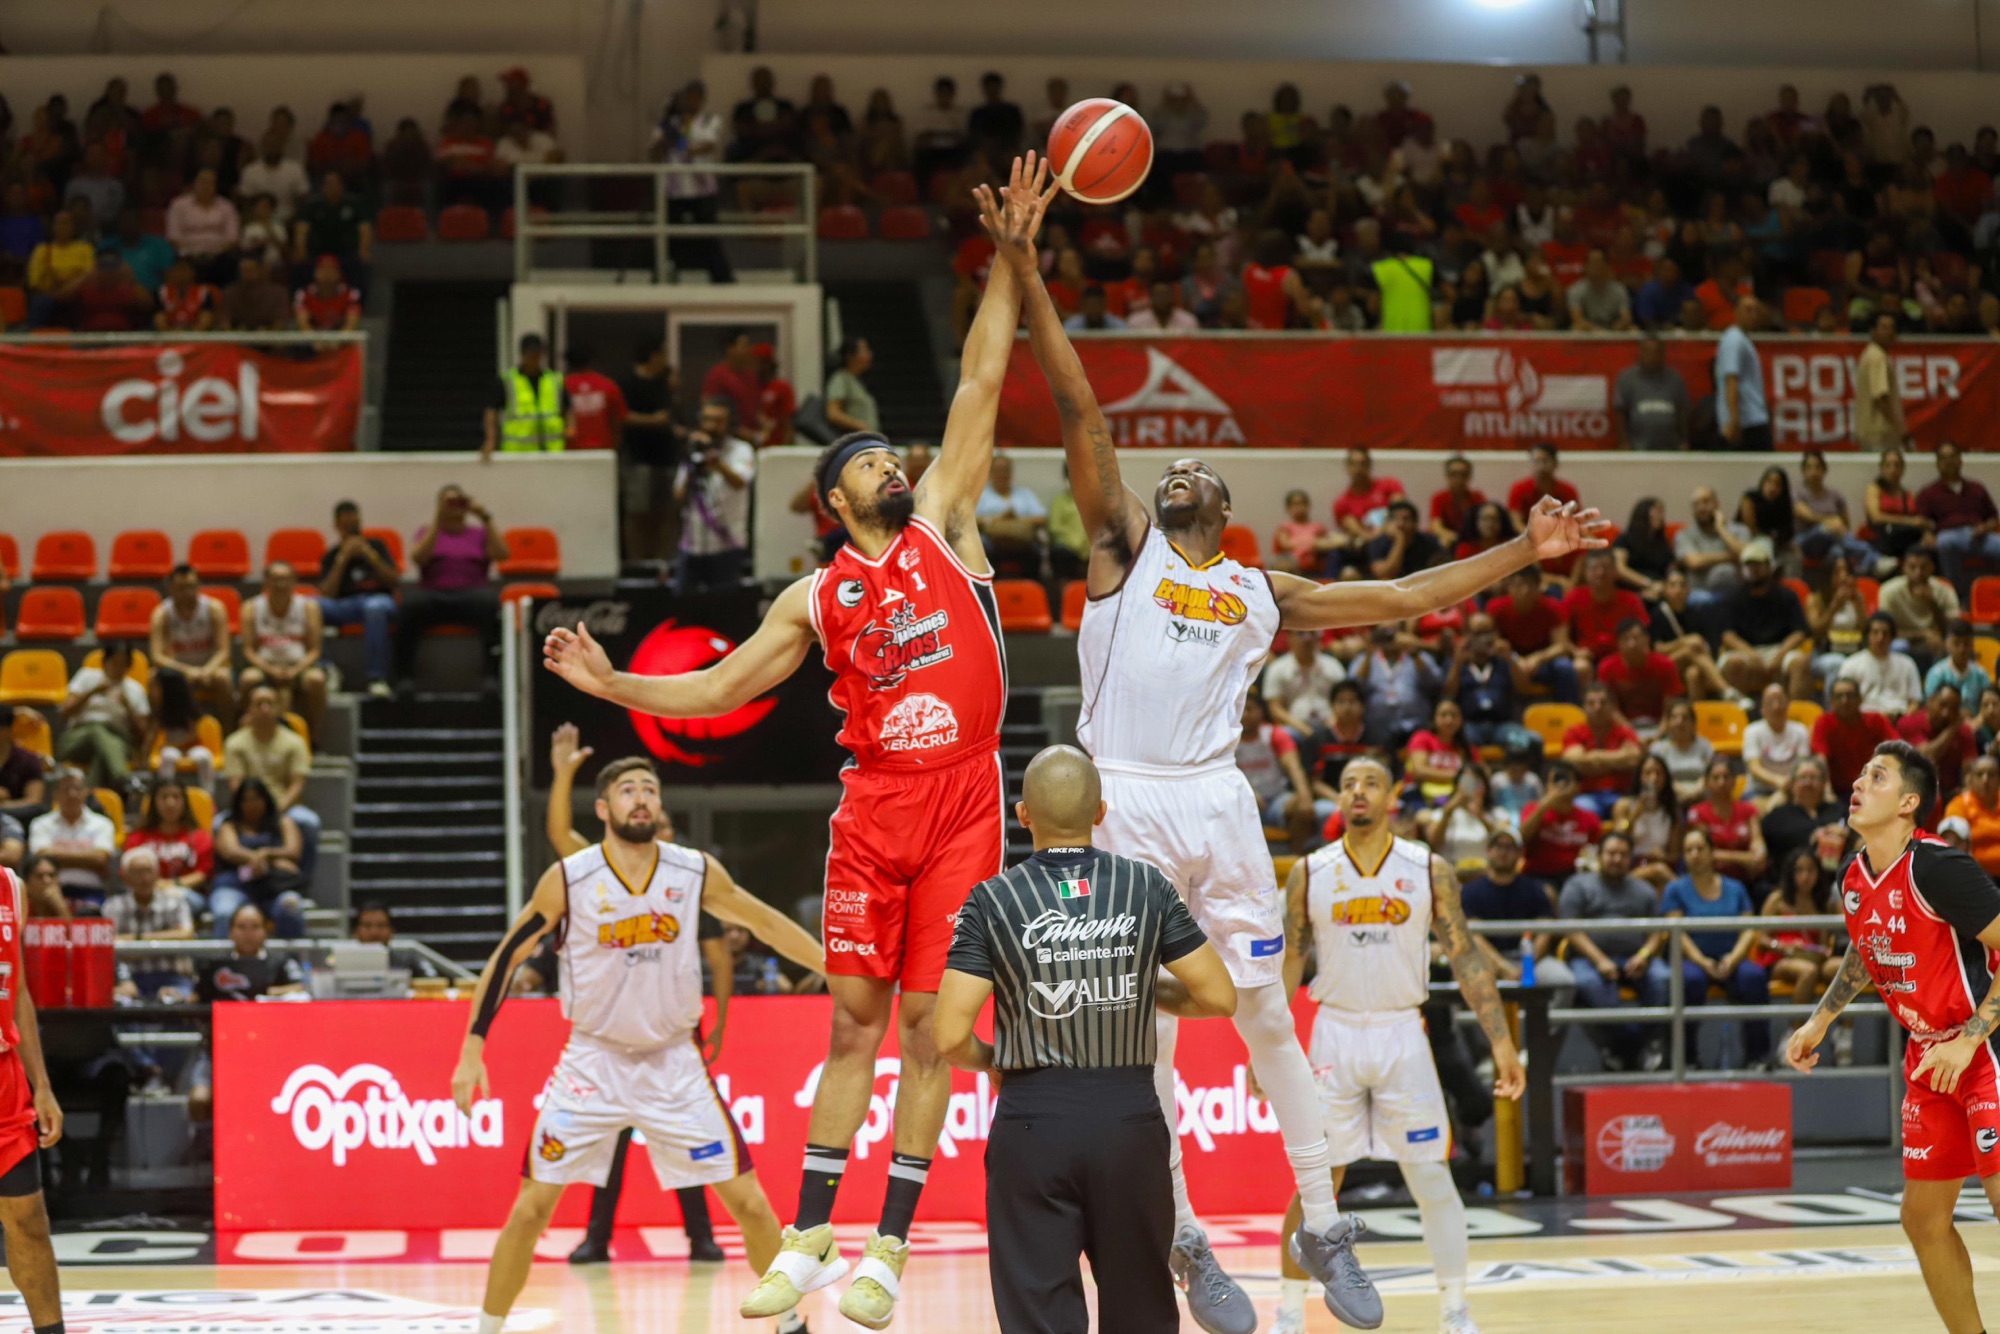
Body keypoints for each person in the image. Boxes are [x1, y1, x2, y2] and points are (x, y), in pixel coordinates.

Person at [992, 148, 1601, 1334]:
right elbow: (1079, 409)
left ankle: (1322, 1221)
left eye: (1196, 471)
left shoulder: (1259, 590)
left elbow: (1402, 596)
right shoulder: (1122, 546)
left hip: (1216, 799)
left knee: (1268, 1014)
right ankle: (1184, 1237)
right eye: (1167, 469)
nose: (1176, 472)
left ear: (1227, 511)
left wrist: (1522, 555)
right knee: (1141, 1037)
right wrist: (1025, 268)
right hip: (1123, 796)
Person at [547, 161, 1048, 1331]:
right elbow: (718, 686)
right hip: (872, 808)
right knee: (851, 1023)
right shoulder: (813, 596)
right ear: (834, 500)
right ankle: (811, 1235)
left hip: (963, 799)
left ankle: (888, 1245)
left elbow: (981, 376)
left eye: (890, 455)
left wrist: (1011, 258)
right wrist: (612, 683)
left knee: (934, 1028)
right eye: (867, 460)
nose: (891, 463)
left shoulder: (945, 522)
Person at [452, 757, 825, 1334]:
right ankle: (486, 1328)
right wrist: (472, 1046)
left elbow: (766, 923)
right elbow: (507, 956)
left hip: (673, 1062)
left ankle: (792, 1325)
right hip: (592, 1063)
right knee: (530, 1211)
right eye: (628, 790)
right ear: (604, 808)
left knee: (750, 1204)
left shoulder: (694, 871)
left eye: (650, 788)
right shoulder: (570, 878)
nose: (642, 797)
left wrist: (831, 967)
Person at [934, 745, 1236, 1334]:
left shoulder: (991, 900)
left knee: (1039, 1314)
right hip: (1129, 1121)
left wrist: (992, 1062)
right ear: (1100, 812)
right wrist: (1139, 988)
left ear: (1023, 815)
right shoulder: (1147, 886)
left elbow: (947, 1035)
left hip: (1032, 1123)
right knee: (1141, 1312)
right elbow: (1219, 997)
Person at [1273, 757, 1523, 1334]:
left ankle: (1455, 1310)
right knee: (1317, 1184)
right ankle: (1287, 1313)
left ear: (1394, 797)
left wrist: (1502, 1042)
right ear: (1338, 799)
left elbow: (1464, 955)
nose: (1358, 792)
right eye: (1348, 785)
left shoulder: (1428, 868)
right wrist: (1272, 1048)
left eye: (1371, 783)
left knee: (1431, 1177)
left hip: (1402, 1032)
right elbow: (1290, 960)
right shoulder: (1310, 872)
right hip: (1334, 1033)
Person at [1786, 741, 2000, 1334]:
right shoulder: (1853, 875)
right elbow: (1869, 944)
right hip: (1929, 1057)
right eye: (1859, 774)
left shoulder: (1938, 868)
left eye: (1876, 776)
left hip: (1985, 1045)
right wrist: (1821, 1018)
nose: (1858, 783)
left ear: (1908, 803)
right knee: (1922, 1219)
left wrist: (1969, 1039)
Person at [0, 865, 68, 1334]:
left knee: (27, 1218)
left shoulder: (11, 887)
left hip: (5, 1078)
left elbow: (18, 990)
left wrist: (41, 1083)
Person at [1663, 826, 1770, 1068]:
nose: (1694, 854)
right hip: (1693, 960)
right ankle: (1686, 1059)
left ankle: (1757, 1057)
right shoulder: (1675, 889)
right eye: (1688, 850)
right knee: (1690, 981)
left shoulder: (1736, 888)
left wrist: (1733, 959)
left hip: (1731, 958)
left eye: (1700, 848)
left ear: (1712, 852)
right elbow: (1677, 935)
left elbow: (1748, 930)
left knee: (1754, 977)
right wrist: (1702, 962)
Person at [1561, 830, 1668, 1070]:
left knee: (1663, 977)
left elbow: (1657, 932)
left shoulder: (1644, 890)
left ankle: (1638, 1046)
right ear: (1599, 856)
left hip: (1636, 958)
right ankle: (1632, 1047)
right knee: (1588, 983)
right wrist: (1599, 960)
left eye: (1623, 854)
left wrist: (1644, 956)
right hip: (1589, 959)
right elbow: (1571, 929)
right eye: (1611, 853)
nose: (1617, 859)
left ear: (1631, 858)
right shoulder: (1578, 885)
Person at [393, 486, 511, 690]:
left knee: (491, 603)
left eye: (459, 501)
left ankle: (492, 678)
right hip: (433, 596)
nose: (454, 506)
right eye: (449, 502)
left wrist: (485, 517)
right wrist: (437, 519)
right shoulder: (427, 532)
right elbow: (418, 558)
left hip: (472, 596)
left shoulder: (479, 534)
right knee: (410, 605)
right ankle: (404, 678)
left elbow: (503, 555)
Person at [317, 501, 400, 699]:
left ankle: (376, 678)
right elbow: (326, 593)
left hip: (378, 600)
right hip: (344, 605)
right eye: (346, 526)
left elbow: (393, 581)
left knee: (375, 608)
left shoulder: (377, 546)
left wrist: (370, 556)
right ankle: (327, 669)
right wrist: (343, 559)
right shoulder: (332, 555)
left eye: (355, 524)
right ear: (337, 526)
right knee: (311, 606)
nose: (352, 529)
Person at [673, 399, 757, 595]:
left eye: (718, 421)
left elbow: (740, 482)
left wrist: (717, 463)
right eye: (707, 419)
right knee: (682, 604)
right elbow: (678, 495)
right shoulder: (694, 449)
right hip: (692, 545)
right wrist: (693, 462)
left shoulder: (741, 450)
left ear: (730, 423)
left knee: (724, 605)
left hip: (727, 543)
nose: (711, 426)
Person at [210, 777, 307, 940]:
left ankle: (291, 956)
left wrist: (266, 854)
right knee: (224, 912)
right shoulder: (229, 825)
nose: (251, 804)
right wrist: (262, 858)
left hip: (274, 888)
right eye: (246, 800)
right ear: (238, 803)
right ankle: (223, 957)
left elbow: (293, 851)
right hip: (235, 886)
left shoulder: (283, 822)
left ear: (266, 799)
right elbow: (230, 852)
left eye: (256, 799)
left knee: (291, 907)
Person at [239, 563, 327, 739]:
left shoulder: (309, 607)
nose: (281, 585)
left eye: (286, 579)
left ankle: (313, 736)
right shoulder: (251, 607)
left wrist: (294, 670)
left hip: (299, 667)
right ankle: (246, 732)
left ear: (294, 581)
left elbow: (314, 650)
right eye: (276, 579)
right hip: (265, 666)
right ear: (266, 582)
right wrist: (271, 670)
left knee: (316, 680)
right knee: (248, 678)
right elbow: (248, 651)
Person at [618, 338, 686, 564]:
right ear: (652, 356)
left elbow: (669, 416)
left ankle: (664, 560)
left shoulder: (663, 384)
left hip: (667, 458)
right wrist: (652, 420)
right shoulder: (628, 383)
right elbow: (622, 416)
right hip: (639, 458)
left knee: (667, 511)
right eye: (663, 354)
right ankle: (637, 561)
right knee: (638, 512)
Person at [1717, 538, 1809, 700]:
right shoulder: (1732, 598)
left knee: (1800, 663)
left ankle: (1795, 712)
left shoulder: (1787, 596)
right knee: (1734, 663)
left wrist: (1780, 656)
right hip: (1745, 650)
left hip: (1779, 648)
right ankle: (1741, 708)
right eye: (1749, 565)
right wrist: (1751, 655)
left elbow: (1799, 632)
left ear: (1769, 566)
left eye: (1758, 564)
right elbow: (1727, 635)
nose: (1753, 570)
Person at [56, 641, 147, 791]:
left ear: (129, 666)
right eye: (115, 663)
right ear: (105, 662)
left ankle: (90, 796)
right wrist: (92, 692)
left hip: (117, 740)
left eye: (123, 664)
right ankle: (122, 777)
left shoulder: (135, 690)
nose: (119, 669)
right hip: (77, 739)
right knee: (98, 730)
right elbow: (64, 712)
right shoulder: (86, 676)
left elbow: (142, 733)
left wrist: (128, 707)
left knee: (102, 754)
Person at [149, 565, 234, 725]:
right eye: (181, 588)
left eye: (191, 586)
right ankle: (159, 729)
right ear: (171, 589)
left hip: (209, 669)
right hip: (178, 671)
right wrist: (187, 672)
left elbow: (224, 651)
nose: (188, 592)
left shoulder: (214, 609)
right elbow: (157, 657)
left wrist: (205, 671)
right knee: (153, 678)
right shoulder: (161, 614)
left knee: (224, 678)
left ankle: (227, 730)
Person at [1919, 440, 2000, 601]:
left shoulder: (1977, 488)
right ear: (1938, 463)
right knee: (1944, 543)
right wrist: (1927, 534)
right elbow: (1923, 522)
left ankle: (1995, 594)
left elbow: (1994, 518)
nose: (1949, 462)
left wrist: (1984, 528)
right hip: (1949, 535)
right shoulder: (1929, 493)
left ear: (1960, 460)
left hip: (1979, 536)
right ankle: (1956, 596)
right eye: (1944, 458)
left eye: (1952, 457)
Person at [27, 769, 116, 910]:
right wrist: (89, 860)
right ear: (56, 795)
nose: (72, 794)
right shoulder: (41, 824)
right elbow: (42, 858)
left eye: (77, 788)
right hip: (50, 893)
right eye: (66, 789)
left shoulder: (102, 824)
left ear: (86, 792)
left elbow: (101, 858)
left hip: (92, 894)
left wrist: (56, 858)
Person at [482, 333, 574, 459]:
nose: (534, 358)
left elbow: (568, 408)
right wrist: (490, 440)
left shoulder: (554, 380)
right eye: (531, 354)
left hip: (551, 451)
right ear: (523, 354)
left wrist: (570, 428)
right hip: (517, 452)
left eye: (538, 354)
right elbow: (491, 410)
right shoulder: (508, 381)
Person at [1794, 449, 1885, 575]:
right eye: (1809, 468)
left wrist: (1836, 525)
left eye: (1817, 467)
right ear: (1803, 471)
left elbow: (1845, 525)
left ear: (1824, 470)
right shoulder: (1797, 493)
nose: (1813, 472)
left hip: (1832, 542)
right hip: (1807, 540)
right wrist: (1830, 522)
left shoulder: (1835, 495)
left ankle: (1862, 571)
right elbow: (1807, 516)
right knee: (1825, 529)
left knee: (1838, 553)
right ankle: (1875, 558)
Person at [1561, 683, 1644, 818]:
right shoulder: (1574, 732)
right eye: (1591, 703)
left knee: (1628, 809)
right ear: (1583, 707)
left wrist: (1592, 758)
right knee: (1583, 812)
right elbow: (1573, 762)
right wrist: (1618, 760)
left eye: (1603, 703)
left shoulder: (1625, 732)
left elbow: (1634, 760)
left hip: (1621, 795)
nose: (1597, 707)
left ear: (1612, 707)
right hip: (1586, 795)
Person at [196, 903, 305, 1002]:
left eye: (255, 927)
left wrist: (268, 993)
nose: (248, 933)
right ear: (230, 932)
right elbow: (198, 998)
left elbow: (300, 987)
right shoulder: (215, 965)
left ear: (266, 931)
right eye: (241, 927)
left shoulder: (282, 962)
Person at [126, 779, 213, 902]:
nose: (170, 803)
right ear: (154, 802)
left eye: (176, 797)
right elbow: (129, 871)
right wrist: (155, 884)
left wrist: (172, 885)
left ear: (184, 802)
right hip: (146, 891)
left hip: (186, 893)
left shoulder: (200, 837)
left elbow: (202, 873)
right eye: (164, 797)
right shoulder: (138, 837)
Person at [1762, 755, 1848, 871]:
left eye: (1814, 778)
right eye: (1803, 778)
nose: (1808, 783)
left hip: (1836, 875)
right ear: (1792, 783)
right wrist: (1813, 838)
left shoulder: (1839, 810)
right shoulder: (1777, 816)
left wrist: (1846, 834)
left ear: (1824, 783)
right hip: (1789, 878)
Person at [1880, 546, 1960, 669]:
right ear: (1904, 568)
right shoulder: (1889, 591)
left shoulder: (1945, 591)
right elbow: (1885, 631)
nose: (1918, 572)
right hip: (1904, 640)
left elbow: (1953, 630)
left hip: (1934, 642)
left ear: (1932, 568)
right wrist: (1922, 634)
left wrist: (1932, 603)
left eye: (1923, 567)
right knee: (1899, 645)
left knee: (1954, 646)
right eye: (1912, 567)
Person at [1613, 752, 1685, 888]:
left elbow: (1675, 855)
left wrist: (1662, 857)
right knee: (1659, 871)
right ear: (1639, 776)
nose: (1653, 778)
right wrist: (1634, 815)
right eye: (1648, 773)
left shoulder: (1672, 811)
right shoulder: (1624, 805)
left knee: (1660, 877)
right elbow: (1618, 837)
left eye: (1658, 773)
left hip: (1660, 863)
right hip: (1630, 866)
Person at [1599, 617, 1684, 730]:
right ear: (1618, 643)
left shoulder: (1665, 665)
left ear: (1646, 639)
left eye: (1636, 638)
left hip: (1660, 727)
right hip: (1623, 729)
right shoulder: (1607, 667)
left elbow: (1670, 708)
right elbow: (1611, 709)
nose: (1632, 644)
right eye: (1625, 639)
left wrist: (1659, 734)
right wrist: (1630, 733)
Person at [1900, 683, 1980, 802]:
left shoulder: (1964, 732)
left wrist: (1965, 791)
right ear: (1930, 702)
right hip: (1914, 792)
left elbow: (1970, 770)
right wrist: (1952, 729)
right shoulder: (1909, 723)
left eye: (1953, 709)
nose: (1946, 713)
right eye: (1942, 705)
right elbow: (1927, 758)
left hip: (1950, 794)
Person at [1260, 630, 1346, 738]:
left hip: (1330, 725)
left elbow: (1345, 700)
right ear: (1289, 638)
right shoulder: (1277, 668)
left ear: (1320, 637)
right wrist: (1302, 728)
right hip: (1294, 727)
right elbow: (1275, 709)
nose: (1307, 639)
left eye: (1312, 633)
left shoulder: (1333, 666)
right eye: (1301, 634)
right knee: (1284, 734)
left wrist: (1333, 724)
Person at [1839, 611, 1924, 717]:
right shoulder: (1851, 664)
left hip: (1899, 718)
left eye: (1885, 633)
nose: (1880, 638)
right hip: (1864, 719)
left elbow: (1915, 701)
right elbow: (1844, 700)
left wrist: (1904, 719)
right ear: (1867, 635)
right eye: (1875, 632)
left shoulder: (1907, 664)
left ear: (1892, 637)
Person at [1614, 334, 1691, 451]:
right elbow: (1620, 412)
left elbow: (1682, 412)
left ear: (1663, 355)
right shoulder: (1627, 378)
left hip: (1670, 447)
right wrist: (1624, 442)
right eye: (1648, 352)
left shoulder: (1675, 379)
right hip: (1638, 447)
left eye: (1656, 352)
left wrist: (1684, 440)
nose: (1652, 357)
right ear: (1640, 353)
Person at [1715, 295, 1772, 451]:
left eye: (1755, 311)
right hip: (1747, 422)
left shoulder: (1743, 340)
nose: (1753, 315)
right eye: (1748, 310)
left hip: (1753, 418)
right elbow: (1731, 380)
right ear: (1736, 313)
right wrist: (1734, 421)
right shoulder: (1734, 340)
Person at [1675, 486, 1749, 604]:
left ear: (1717, 504)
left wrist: (1721, 529)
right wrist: (1731, 556)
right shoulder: (1684, 535)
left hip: (1736, 595)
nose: (1701, 508)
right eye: (1696, 504)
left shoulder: (1739, 530)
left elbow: (1746, 556)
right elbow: (1695, 562)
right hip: (1701, 597)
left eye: (1706, 502)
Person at [1743, 682, 1813, 800]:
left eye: (1780, 701)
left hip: (1793, 789)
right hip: (1759, 790)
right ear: (1762, 709)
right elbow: (1754, 767)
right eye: (1770, 702)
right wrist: (1779, 781)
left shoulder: (1800, 730)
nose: (1776, 706)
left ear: (1788, 705)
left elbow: (1803, 765)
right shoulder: (1752, 731)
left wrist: (1788, 784)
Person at [1853, 311, 1912, 450]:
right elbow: (1880, 397)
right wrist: (1900, 429)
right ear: (1873, 331)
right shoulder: (1877, 357)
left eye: (1892, 328)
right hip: (1880, 433)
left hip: (1869, 432)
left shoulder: (1870, 353)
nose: (1889, 332)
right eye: (1884, 328)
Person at [1864, 446, 1932, 563]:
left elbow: (1920, 520)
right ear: (1881, 468)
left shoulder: (1909, 495)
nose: (1892, 469)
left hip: (1908, 539)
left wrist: (1927, 532)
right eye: (1888, 465)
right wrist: (1909, 521)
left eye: (1896, 465)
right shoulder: (1874, 489)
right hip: (1884, 538)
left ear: (1902, 469)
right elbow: (1876, 517)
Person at [1945, 756, 2000, 875]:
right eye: (1979, 775)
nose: (1985, 780)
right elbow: (1953, 845)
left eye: (1991, 775)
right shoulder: (1959, 805)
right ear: (1970, 779)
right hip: (1974, 876)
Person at [822, 338, 879, 434]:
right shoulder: (841, 379)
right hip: (855, 439)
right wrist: (860, 426)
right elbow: (833, 413)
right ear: (850, 356)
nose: (870, 355)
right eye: (865, 350)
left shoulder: (856, 381)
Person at [0, 708, 46, 819]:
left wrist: (5, 806)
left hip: (17, 817)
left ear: (7, 730)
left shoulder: (28, 760)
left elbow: (34, 800)